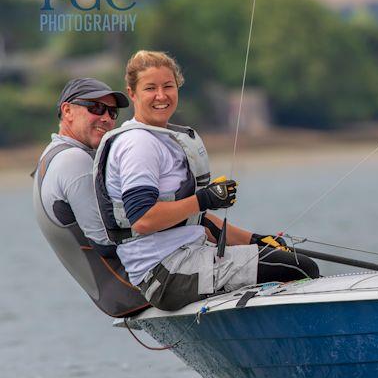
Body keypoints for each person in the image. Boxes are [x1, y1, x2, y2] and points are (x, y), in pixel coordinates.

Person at [93, 50, 319, 311]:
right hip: (168, 274)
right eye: (150, 88)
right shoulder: (139, 144)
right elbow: (143, 219)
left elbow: (195, 220)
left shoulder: (159, 138)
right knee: (298, 268)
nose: (161, 96)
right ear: (132, 94)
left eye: (168, 86)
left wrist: (256, 239)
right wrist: (204, 199)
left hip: (187, 258)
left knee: (284, 258)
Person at [33, 78, 149, 317]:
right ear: (67, 111)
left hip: (117, 293)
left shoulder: (51, 156)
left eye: (112, 111)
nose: (106, 118)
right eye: (95, 108)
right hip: (132, 289)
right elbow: (107, 243)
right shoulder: (73, 161)